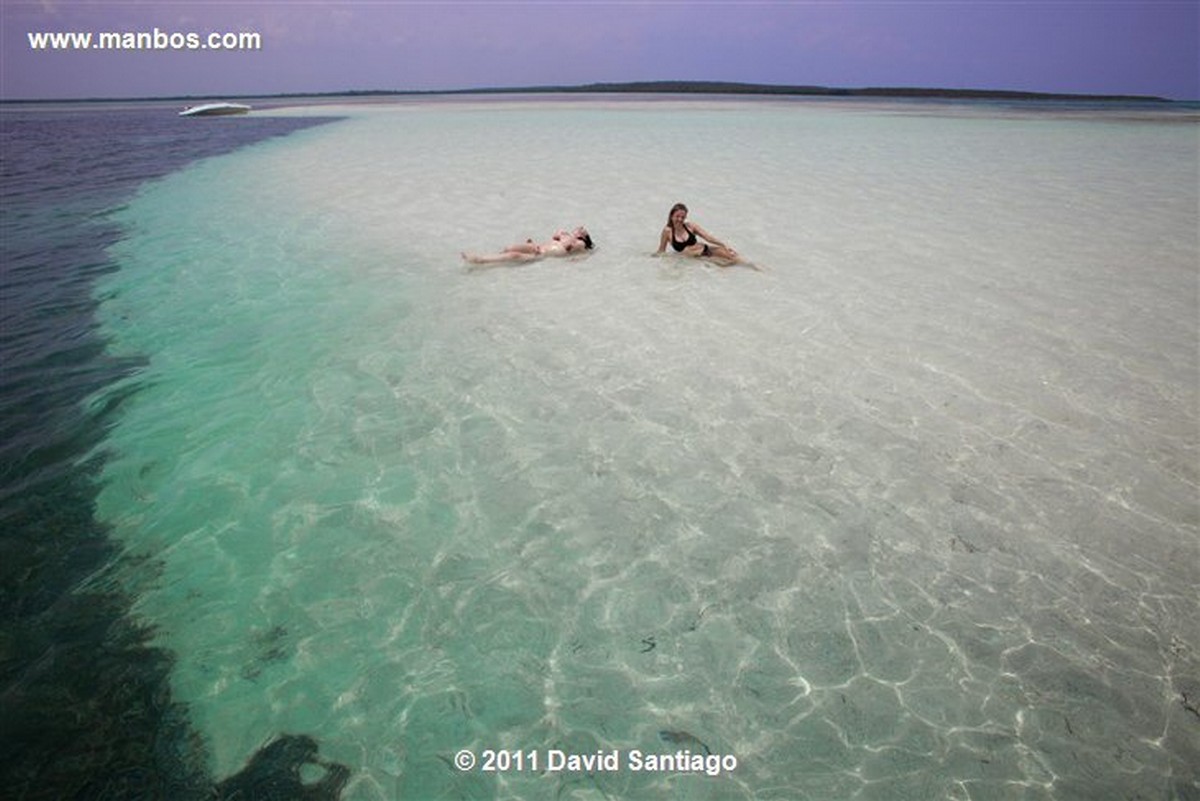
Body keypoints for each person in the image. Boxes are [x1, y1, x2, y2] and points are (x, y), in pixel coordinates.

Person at [654, 203, 741, 265]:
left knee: (735, 257)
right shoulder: (667, 231)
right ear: (671, 216)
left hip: (706, 249)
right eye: (677, 216)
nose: (680, 219)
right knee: (727, 266)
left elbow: (708, 237)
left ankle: (754, 268)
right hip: (699, 259)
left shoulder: (690, 226)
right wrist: (651, 259)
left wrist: (725, 245)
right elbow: (661, 250)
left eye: (683, 217)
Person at [463, 227, 594, 265]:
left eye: (584, 231)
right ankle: (494, 258)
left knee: (514, 255)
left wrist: (571, 236)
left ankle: (481, 260)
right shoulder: (566, 236)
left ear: (583, 237)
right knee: (510, 248)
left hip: (542, 255)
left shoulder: (579, 243)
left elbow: (573, 250)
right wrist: (563, 233)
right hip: (537, 246)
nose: (581, 228)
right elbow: (555, 236)